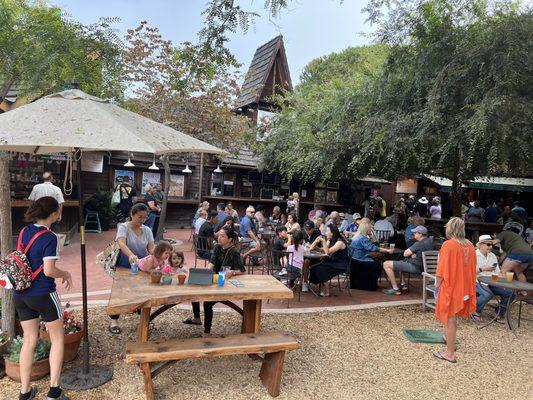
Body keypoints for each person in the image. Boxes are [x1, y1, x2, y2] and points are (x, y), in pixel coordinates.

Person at [13, 197, 72, 400]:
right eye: (58, 211)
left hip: (21, 294)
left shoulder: (23, 231)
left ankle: (25, 392)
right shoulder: (50, 237)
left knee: (29, 341)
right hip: (43, 294)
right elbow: (49, 270)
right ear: (54, 214)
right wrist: (65, 274)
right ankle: (54, 392)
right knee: (57, 339)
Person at [183, 226, 245, 336]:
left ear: (230, 239)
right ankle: (196, 318)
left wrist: (233, 272)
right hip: (214, 278)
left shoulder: (234, 251)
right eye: (219, 235)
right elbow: (211, 263)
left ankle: (207, 332)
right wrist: (205, 273)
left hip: (224, 283)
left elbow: (242, 270)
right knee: (195, 290)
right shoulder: (217, 247)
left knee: (207, 303)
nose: (219, 238)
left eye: (222, 236)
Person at [433, 217, 477, 364]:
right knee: (452, 318)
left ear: (449, 228)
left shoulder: (448, 245)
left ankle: (449, 353)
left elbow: (441, 270)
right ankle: (450, 341)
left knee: (449, 319)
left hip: (451, 287)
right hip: (464, 287)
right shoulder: (470, 245)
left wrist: (436, 287)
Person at [110, 203, 155, 334]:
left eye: (145, 217)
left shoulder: (147, 230)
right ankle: (114, 320)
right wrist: (130, 255)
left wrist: (155, 255)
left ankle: (144, 319)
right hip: (124, 263)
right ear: (132, 215)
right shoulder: (124, 227)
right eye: (139, 217)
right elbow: (121, 243)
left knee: (143, 290)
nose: (142, 220)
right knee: (119, 292)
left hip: (141, 265)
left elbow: (151, 247)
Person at [470, 235, 514, 324]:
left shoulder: (492, 256)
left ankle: (497, 313)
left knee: (510, 293)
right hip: (476, 281)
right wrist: (482, 269)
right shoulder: (473, 255)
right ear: (480, 245)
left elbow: (497, 272)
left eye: (491, 245)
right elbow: (467, 272)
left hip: (491, 281)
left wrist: (503, 275)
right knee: (487, 294)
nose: (490, 247)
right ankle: (475, 311)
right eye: (488, 245)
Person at [382, 226, 434, 295]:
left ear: (420, 234)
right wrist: (413, 254)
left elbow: (405, 254)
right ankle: (403, 285)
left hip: (416, 267)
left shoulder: (419, 243)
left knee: (386, 264)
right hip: (425, 267)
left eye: (415, 233)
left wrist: (412, 254)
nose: (414, 234)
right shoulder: (430, 242)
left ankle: (395, 289)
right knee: (402, 262)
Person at [349, 218, 393, 291]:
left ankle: (366, 284)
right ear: (366, 229)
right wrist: (387, 250)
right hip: (360, 259)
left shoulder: (357, 235)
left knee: (375, 261)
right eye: (370, 228)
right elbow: (372, 248)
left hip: (354, 258)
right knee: (377, 264)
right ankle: (370, 285)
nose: (371, 230)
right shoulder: (362, 238)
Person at [309, 225, 350, 297]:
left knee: (320, 268)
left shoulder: (339, 242)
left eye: (327, 231)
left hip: (340, 264)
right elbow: (322, 250)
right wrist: (315, 243)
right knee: (314, 263)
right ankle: (316, 284)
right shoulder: (330, 240)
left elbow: (328, 252)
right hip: (332, 260)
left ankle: (327, 291)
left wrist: (323, 241)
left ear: (332, 233)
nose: (325, 233)